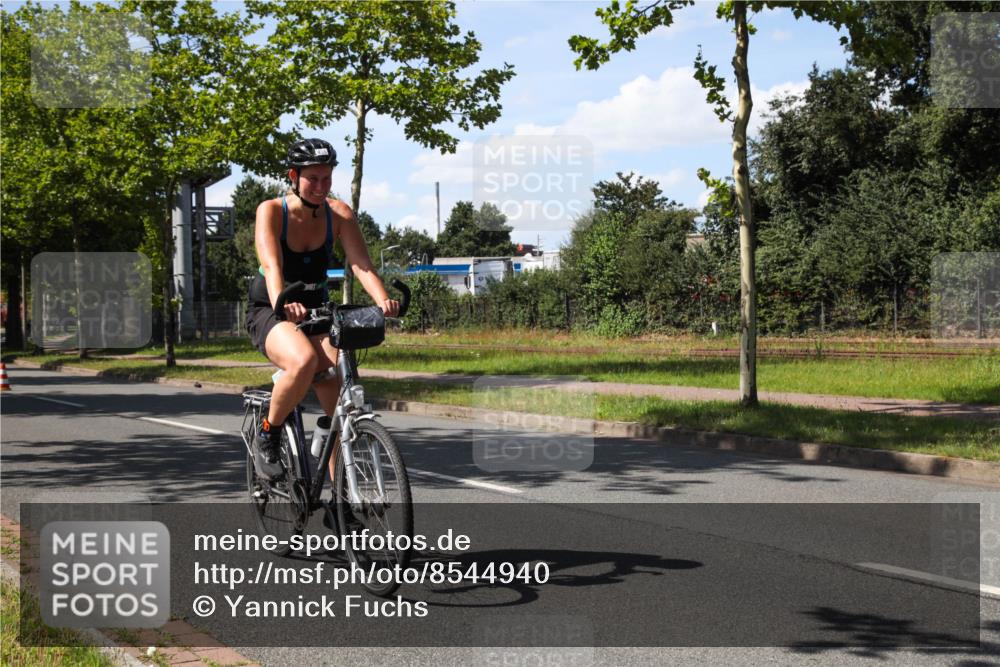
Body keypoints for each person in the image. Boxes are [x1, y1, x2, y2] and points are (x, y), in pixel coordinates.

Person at [245, 138, 399, 480]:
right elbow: (271, 267)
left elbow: (361, 265)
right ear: (293, 176)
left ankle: (342, 503)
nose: (320, 186)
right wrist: (283, 302)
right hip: (271, 307)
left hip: (317, 309)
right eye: (312, 178)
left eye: (326, 178)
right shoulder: (270, 211)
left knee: (338, 400)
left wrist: (382, 299)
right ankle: (269, 433)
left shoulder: (339, 214)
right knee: (303, 361)